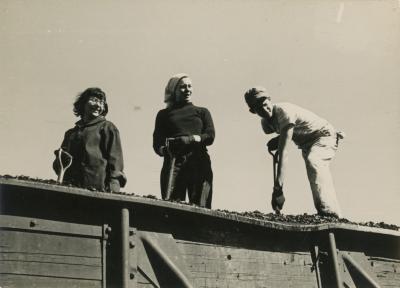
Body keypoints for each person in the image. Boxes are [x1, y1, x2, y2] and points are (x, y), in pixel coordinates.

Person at [244, 86, 343, 218]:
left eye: (264, 103)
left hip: (323, 135)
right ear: (253, 111)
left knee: (314, 162)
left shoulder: (283, 111)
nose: (263, 108)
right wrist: (279, 139)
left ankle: (328, 212)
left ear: (269, 100)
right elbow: (288, 132)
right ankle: (334, 214)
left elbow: (284, 152)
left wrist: (278, 189)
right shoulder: (266, 125)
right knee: (315, 168)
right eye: (258, 107)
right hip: (306, 144)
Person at [153, 73, 215, 208]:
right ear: (173, 90)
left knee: (201, 206)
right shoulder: (163, 115)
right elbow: (157, 142)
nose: (187, 90)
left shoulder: (202, 112)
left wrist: (192, 139)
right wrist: (166, 150)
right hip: (174, 162)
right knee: (172, 207)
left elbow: (210, 136)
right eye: (182, 87)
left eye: (189, 86)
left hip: (198, 160)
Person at [53, 87, 126, 192]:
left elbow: (116, 163)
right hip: (69, 189)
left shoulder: (108, 128)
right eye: (94, 100)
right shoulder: (70, 134)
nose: (98, 105)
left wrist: (114, 188)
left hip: (98, 190)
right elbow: (60, 166)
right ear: (83, 103)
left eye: (101, 102)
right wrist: (58, 160)